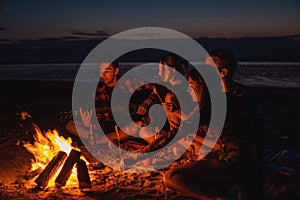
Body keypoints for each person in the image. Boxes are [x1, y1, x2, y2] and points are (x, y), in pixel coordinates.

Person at [163, 49, 265, 199]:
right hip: (233, 152)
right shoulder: (221, 99)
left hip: (237, 157)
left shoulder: (236, 97)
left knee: (173, 177)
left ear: (222, 73)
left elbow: (186, 126)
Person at [65, 60, 157, 147]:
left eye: (107, 70)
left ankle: (98, 141)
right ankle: (102, 139)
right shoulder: (98, 93)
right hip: (114, 128)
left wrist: (145, 103)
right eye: (101, 71)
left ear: (116, 71)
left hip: (133, 125)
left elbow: (156, 89)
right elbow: (101, 121)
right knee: (70, 126)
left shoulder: (129, 82)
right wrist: (88, 124)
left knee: (133, 127)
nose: (103, 74)